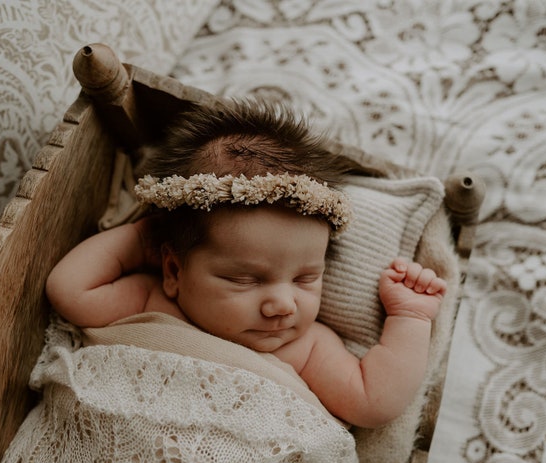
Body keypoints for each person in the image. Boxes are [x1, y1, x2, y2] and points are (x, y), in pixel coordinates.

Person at [45, 99, 446, 429]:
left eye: (306, 278)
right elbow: (69, 290)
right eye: (245, 279)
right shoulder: (151, 304)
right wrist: (141, 238)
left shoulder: (303, 347)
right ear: (173, 272)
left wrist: (410, 318)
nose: (282, 305)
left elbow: (374, 402)